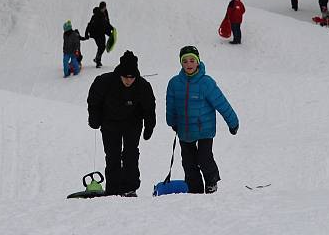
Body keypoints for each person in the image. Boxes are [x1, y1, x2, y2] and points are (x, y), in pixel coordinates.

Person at [166, 46, 239, 194]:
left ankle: (211, 181)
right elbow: (171, 105)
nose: (189, 64)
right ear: (181, 63)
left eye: (192, 60)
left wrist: (233, 122)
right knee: (188, 162)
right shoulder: (174, 83)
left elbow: (221, 103)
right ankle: (195, 189)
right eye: (185, 61)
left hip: (204, 129)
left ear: (198, 62)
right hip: (185, 130)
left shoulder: (206, 83)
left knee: (204, 158)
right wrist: (172, 122)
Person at [87, 50, 156, 196]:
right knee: (113, 156)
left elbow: (149, 108)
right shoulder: (105, 81)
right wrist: (94, 118)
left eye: (132, 78)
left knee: (130, 155)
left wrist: (149, 126)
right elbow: (94, 100)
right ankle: (113, 189)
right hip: (110, 124)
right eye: (126, 77)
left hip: (132, 124)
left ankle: (130, 188)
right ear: (120, 74)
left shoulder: (142, 86)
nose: (128, 81)